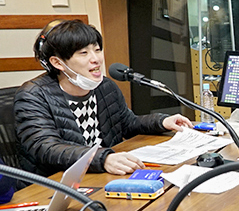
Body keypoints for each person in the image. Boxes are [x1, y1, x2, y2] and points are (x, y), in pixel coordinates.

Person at [14, 19, 193, 178]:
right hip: (54, 183)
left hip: (101, 176)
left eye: (97, 50)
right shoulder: (32, 95)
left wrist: (162, 122)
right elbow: (47, 148)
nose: (96, 59)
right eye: (83, 53)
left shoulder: (105, 86)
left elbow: (128, 124)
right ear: (57, 62)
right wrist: (103, 158)